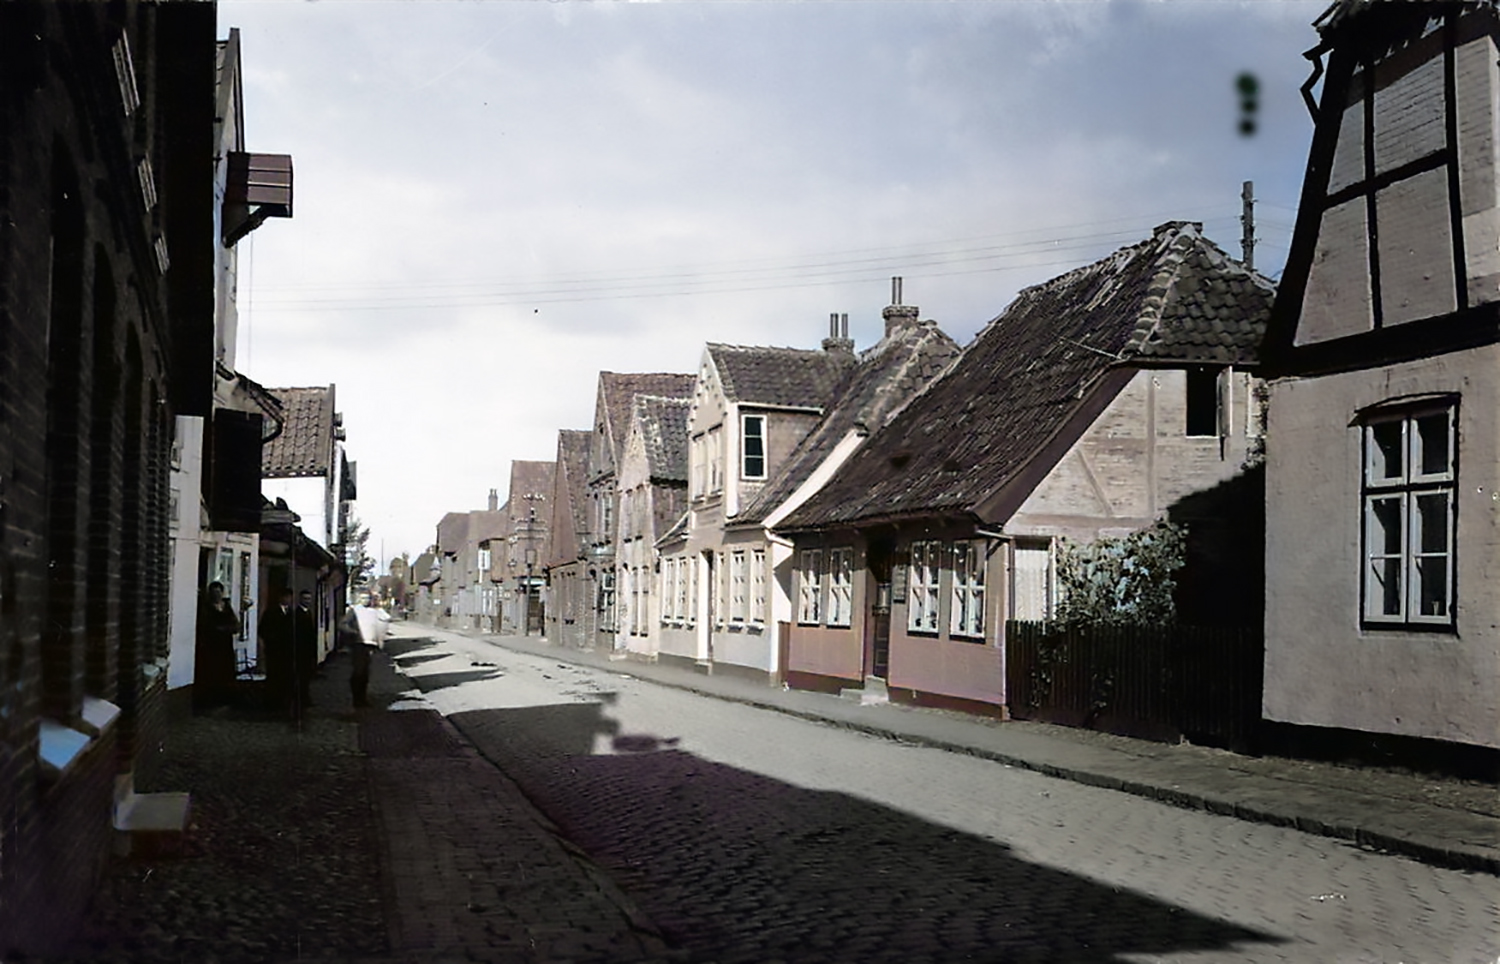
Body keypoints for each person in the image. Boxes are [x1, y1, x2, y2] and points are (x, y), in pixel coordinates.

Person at [194, 581, 241, 712]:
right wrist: (218, 630)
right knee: (213, 671)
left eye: (219, 592)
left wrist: (229, 628)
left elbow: (234, 623)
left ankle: (226, 698)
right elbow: (205, 625)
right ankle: (211, 701)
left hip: (226, 644)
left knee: (226, 670)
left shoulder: (226, 606)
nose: (217, 595)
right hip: (212, 645)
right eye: (214, 592)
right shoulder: (206, 608)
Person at [258, 588, 296, 716]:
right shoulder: (271, 612)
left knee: (286, 677)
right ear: (280, 598)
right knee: (274, 675)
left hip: (288, 651)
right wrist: (272, 640)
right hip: (274, 651)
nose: (287, 600)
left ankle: (285, 702)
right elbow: (263, 629)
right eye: (285, 597)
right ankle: (272, 703)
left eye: (289, 597)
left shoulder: (292, 614)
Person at [338, 606, 373, 708]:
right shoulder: (354, 611)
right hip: (358, 645)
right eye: (363, 598)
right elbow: (342, 624)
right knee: (358, 672)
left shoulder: (371, 611)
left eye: (367, 598)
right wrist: (353, 632)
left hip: (368, 645)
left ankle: (363, 698)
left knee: (365, 674)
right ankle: (356, 700)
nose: (366, 600)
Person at [292, 590, 319, 717]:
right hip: (300, 651)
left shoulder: (308, 612)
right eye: (305, 599)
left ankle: (305, 697)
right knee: (300, 676)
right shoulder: (297, 614)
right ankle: (300, 699)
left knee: (306, 676)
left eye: (309, 599)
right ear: (300, 599)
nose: (307, 601)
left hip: (307, 651)